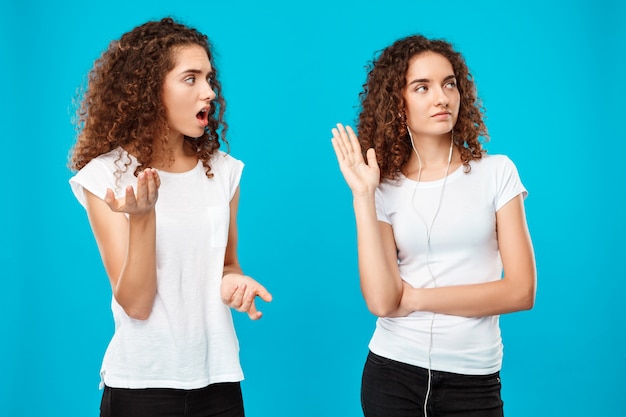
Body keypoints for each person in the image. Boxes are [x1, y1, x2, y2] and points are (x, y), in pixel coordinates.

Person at [68, 17, 272, 417]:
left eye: (209, 79)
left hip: (219, 382)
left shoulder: (223, 170)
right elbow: (137, 304)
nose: (209, 92)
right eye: (191, 78)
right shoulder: (106, 177)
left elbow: (227, 264)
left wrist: (234, 284)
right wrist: (143, 218)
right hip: (143, 387)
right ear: (149, 91)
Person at [331, 35, 536, 417]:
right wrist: (363, 195)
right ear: (398, 103)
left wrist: (417, 299)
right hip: (393, 373)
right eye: (421, 87)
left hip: (474, 378)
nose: (441, 97)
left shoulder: (497, 173)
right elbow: (380, 301)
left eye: (449, 83)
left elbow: (521, 291)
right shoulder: (382, 187)